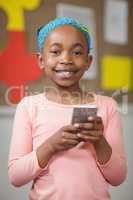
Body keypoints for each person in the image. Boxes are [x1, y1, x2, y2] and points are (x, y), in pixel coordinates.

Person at [8, 17, 127, 200]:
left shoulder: (107, 106)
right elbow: (16, 176)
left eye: (77, 52)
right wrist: (51, 145)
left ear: (88, 61)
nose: (66, 59)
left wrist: (99, 141)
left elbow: (118, 177)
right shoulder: (29, 107)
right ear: (41, 60)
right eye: (55, 51)